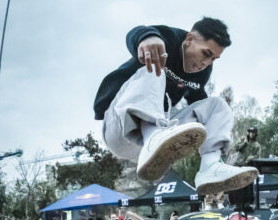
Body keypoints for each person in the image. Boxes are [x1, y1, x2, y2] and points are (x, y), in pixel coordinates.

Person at [93, 17, 257, 196]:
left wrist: (211, 125)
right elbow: (135, 34)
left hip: (157, 133)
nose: (206, 63)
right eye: (206, 54)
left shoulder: (202, 74)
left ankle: (210, 166)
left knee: (217, 106)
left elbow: (199, 106)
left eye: (213, 59)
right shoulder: (168, 39)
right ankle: (152, 137)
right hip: (119, 126)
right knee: (155, 68)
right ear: (189, 40)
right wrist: (147, 38)